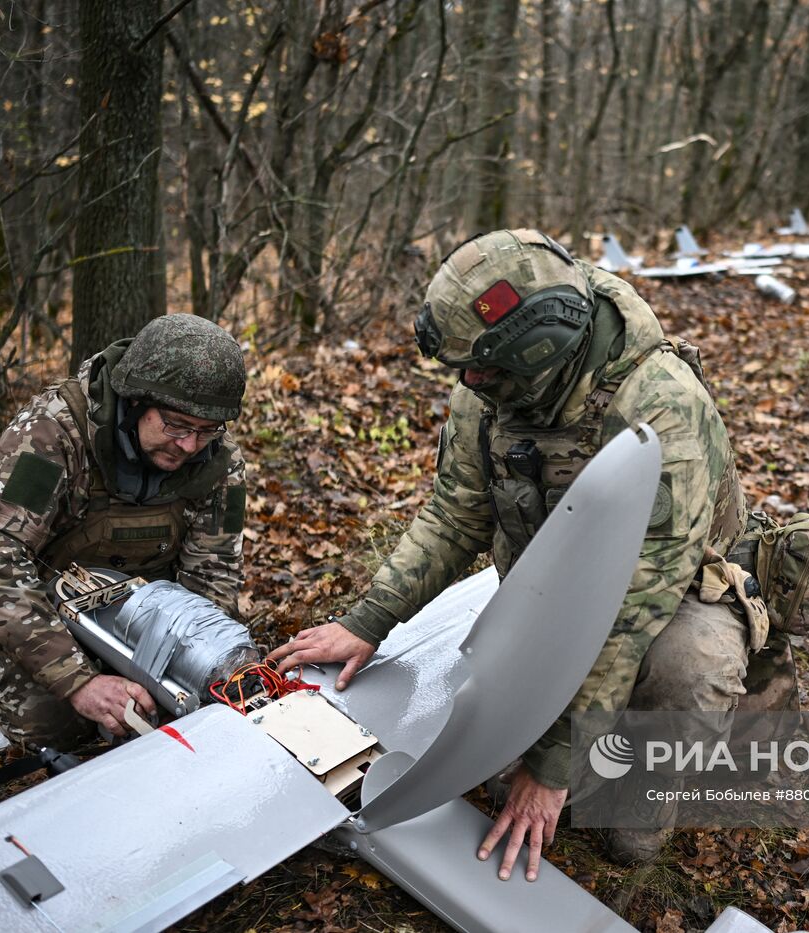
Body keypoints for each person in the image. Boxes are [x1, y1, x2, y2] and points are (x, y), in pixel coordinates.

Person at [269, 229, 754, 874]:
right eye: (464, 368)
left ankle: (644, 797)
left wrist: (551, 772)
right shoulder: (491, 385)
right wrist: (368, 621)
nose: (468, 382)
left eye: (485, 369)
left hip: (669, 595)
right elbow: (455, 511)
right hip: (547, 583)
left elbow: (626, 614)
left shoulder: (661, 411)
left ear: (539, 349)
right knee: (496, 782)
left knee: (689, 666)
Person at [0, 315, 249, 749]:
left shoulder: (218, 461)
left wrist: (199, 663)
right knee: (63, 728)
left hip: (133, 603)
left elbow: (212, 577)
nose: (190, 445)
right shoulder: (53, 432)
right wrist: (77, 680)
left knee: (216, 692)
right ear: (135, 401)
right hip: (29, 594)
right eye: (176, 425)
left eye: (206, 430)